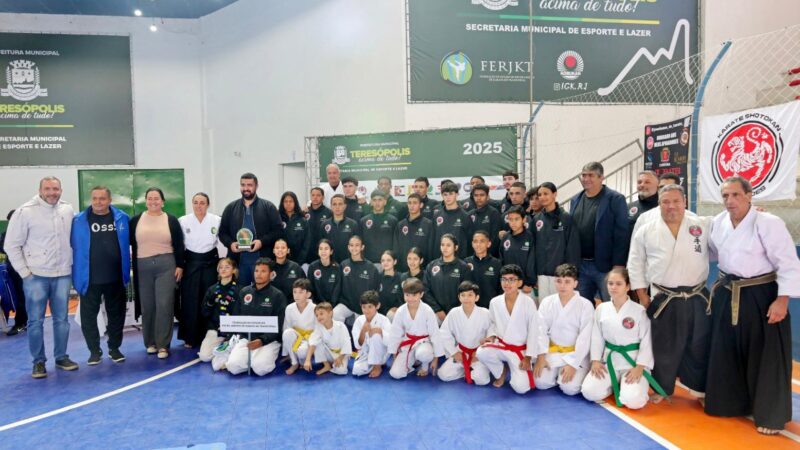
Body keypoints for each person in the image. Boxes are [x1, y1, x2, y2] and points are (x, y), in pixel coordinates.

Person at [705, 176, 800, 435]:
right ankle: (732, 403)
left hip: (762, 294)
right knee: (727, 350)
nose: (730, 200)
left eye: (736, 194)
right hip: (728, 290)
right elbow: (711, 252)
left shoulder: (768, 222)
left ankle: (770, 414)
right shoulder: (718, 222)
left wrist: (782, 300)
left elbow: (788, 263)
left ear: (749, 196)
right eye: (725, 196)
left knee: (764, 355)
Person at [627, 184, 711, 404]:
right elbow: (635, 263)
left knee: (699, 345)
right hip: (664, 297)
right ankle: (662, 388)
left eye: (676, 201)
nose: (671, 206)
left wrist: (756, 213)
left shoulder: (701, 225)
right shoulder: (647, 229)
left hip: (697, 295)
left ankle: (700, 390)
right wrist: (642, 296)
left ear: (685, 202)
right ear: (659, 204)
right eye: (666, 202)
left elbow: (728, 226)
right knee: (664, 346)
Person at [5, 176, 77, 377]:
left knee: (62, 319)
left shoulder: (67, 209)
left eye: (55, 189)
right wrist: (25, 273)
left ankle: (61, 357)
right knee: (35, 321)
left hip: (63, 275)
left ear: (61, 190)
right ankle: (38, 362)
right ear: (40, 190)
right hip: (35, 276)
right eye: (48, 189)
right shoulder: (24, 212)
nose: (52, 193)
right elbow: (11, 245)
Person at [581, 268, 664, 409]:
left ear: (628, 286)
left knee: (634, 402)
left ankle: (628, 389)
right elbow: (596, 337)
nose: (613, 287)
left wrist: (640, 366)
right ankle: (615, 386)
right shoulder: (602, 309)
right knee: (589, 392)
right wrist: (595, 360)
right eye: (610, 283)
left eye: (618, 284)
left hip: (632, 363)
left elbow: (647, 341)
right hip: (610, 362)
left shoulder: (639, 311)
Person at [71, 186, 131, 365]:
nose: (98, 202)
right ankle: (94, 351)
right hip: (89, 278)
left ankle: (114, 348)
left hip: (115, 277)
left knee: (117, 316)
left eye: (102, 198)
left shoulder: (122, 218)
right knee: (88, 317)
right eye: (95, 198)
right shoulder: (78, 221)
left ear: (110, 200)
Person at [130, 187, 185, 359]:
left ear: (163, 202)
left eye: (156, 198)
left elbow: (179, 244)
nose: (153, 201)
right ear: (145, 201)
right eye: (150, 198)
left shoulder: (171, 220)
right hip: (142, 266)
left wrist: (180, 265)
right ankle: (150, 343)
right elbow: (130, 243)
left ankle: (163, 345)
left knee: (164, 304)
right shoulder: (136, 220)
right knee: (147, 306)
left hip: (166, 265)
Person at [475, 264, 543, 394]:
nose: (507, 283)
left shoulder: (528, 302)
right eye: (504, 279)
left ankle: (513, 367)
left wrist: (528, 357)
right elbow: (493, 323)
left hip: (520, 350)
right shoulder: (495, 302)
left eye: (511, 279)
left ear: (520, 283)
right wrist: (491, 336)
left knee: (522, 388)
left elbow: (534, 330)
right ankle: (501, 371)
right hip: (502, 345)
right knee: (482, 352)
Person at [569, 162, 628, 303]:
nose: (586, 179)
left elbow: (622, 234)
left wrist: (618, 264)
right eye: (584, 175)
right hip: (581, 266)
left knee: (612, 305)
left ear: (601, 177)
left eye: (591, 175)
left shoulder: (615, 199)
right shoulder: (575, 199)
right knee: (583, 307)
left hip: (605, 266)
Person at [533, 264, 593, 395]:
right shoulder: (547, 302)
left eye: (567, 282)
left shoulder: (585, 305)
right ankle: (557, 375)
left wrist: (573, 364)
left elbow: (585, 338)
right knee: (540, 383)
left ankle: (568, 373)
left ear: (575, 283)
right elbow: (540, 330)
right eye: (559, 281)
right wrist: (541, 356)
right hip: (553, 350)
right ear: (554, 282)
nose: (562, 285)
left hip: (576, 353)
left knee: (569, 388)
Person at [219, 173, 283, 287]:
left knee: (262, 294)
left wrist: (261, 242)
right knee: (240, 294)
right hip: (238, 264)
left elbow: (278, 231)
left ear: (256, 186)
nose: (246, 188)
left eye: (249, 185)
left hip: (262, 264)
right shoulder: (230, 208)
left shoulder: (268, 207)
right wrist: (230, 244)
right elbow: (222, 233)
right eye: (243, 185)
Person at [226, 258, 287, 376]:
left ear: (271, 274)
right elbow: (236, 317)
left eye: (263, 271)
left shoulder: (278, 295)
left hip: (269, 340)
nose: (258, 274)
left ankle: (258, 358)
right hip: (246, 338)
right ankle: (248, 358)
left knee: (260, 369)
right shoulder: (244, 292)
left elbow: (279, 325)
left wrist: (262, 340)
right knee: (233, 367)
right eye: (256, 271)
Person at [179, 192, 221, 349]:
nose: (199, 206)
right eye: (195, 202)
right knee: (190, 299)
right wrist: (179, 265)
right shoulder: (183, 221)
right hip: (191, 263)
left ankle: (208, 335)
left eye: (202, 203)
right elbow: (179, 245)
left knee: (209, 299)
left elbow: (221, 242)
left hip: (210, 263)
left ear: (208, 204)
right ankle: (189, 337)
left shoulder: (216, 220)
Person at [387, 277, 444, 379]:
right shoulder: (401, 311)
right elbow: (395, 334)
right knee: (395, 374)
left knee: (423, 354)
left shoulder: (427, 310)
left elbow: (435, 334)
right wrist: (395, 357)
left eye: (414, 295)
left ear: (421, 294)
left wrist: (436, 359)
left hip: (424, 343)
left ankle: (424, 366)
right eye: (407, 295)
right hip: (409, 343)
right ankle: (414, 361)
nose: (410, 298)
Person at [532, 183, 581, 300]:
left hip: (561, 274)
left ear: (554, 194)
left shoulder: (566, 218)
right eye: (540, 195)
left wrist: (570, 272)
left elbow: (573, 248)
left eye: (546, 194)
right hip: (542, 275)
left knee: (561, 305)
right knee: (544, 306)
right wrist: (534, 274)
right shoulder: (537, 219)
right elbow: (533, 248)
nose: (542, 197)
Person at [437, 282, 492, 385]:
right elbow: (444, 333)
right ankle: (466, 369)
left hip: (478, 353)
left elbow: (491, 334)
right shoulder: (454, 313)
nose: (466, 298)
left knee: (481, 380)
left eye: (470, 295)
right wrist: (454, 352)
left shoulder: (485, 313)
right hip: (461, 352)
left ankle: (479, 368)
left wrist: (481, 352)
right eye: (463, 295)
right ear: (459, 297)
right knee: (443, 375)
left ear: (477, 297)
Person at [198, 258, 239, 369]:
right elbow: (204, 313)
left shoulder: (239, 290)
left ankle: (226, 349)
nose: (223, 269)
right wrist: (210, 303)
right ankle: (221, 348)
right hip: (216, 329)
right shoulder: (212, 289)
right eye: (221, 267)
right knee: (204, 357)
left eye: (227, 267)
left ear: (234, 270)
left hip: (233, 331)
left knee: (236, 357)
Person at [424, 234, 472, 322]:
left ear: (455, 247)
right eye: (442, 245)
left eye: (448, 245)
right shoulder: (431, 266)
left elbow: (467, 291)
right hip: (435, 314)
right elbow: (426, 290)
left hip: (457, 314)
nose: (445, 248)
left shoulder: (463, 267)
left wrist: (455, 311)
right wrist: (437, 310)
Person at [337, 235, 380, 323]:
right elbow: (338, 286)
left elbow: (375, 290)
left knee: (361, 327)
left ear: (362, 247)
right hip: (346, 304)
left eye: (357, 245)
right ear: (348, 247)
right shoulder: (343, 265)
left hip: (364, 305)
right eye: (351, 245)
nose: (354, 248)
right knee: (335, 314)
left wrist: (370, 305)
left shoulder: (371, 267)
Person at [303, 302, 352, 376]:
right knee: (317, 342)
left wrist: (340, 357)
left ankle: (334, 363)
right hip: (328, 353)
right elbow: (312, 342)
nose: (319, 317)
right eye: (317, 315)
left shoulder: (341, 326)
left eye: (321, 314)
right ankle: (326, 365)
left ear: (330, 313)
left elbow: (346, 342)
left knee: (341, 371)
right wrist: (307, 360)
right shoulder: (319, 328)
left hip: (341, 354)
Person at [498, 206, 537, 298]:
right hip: (508, 283)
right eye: (510, 219)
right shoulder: (506, 237)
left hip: (525, 285)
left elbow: (532, 261)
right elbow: (502, 261)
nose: (513, 222)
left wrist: (529, 282)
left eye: (516, 219)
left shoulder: (530, 237)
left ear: (524, 219)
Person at [352, 290, 392, 377]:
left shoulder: (384, 320)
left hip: (381, 352)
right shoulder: (359, 320)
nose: (366, 310)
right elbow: (357, 346)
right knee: (357, 371)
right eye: (364, 307)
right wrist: (363, 331)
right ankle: (374, 363)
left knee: (376, 335)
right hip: (366, 353)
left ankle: (377, 366)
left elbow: (391, 342)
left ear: (377, 306)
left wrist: (380, 331)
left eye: (370, 307)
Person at [0, 209, 28, 336]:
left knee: (23, 297)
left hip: (25, 270)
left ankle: (21, 323)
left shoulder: (27, 233)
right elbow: (3, 248)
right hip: (11, 270)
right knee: (14, 297)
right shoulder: (6, 234)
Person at [283, 279, 317, 375]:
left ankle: (304, 359)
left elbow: (318, 331)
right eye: (295, 292)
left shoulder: (315, 308)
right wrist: (287, 352)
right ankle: (294, 363)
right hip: (296, 336)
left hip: (309, 339)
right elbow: (287, 327)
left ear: (308, 294)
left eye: (301, 292)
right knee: (287, 332)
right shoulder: (289, 308)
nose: (297, 295)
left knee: (302, 353)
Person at [432, 182, 473, 260]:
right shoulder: (436, 216)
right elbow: (433, 240)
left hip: (459, 260)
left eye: (451, 194)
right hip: (440, 260)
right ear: (442, 196)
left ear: (457, 194)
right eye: (445, 194)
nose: (448, 197)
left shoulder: (465, 216)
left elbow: (470, 241)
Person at [395, 193, 434, 272]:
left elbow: (431, 249)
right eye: (409, 203)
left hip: (422, 270)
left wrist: (428, 268)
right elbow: (396, 248)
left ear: (421, 205)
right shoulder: (400, 225)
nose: (412, 206)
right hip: (403, 270)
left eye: (415, 203)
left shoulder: (428, 224)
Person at [320, 194, 360, 264]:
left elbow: (358, 245)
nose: (337, 207)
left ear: (345, 206)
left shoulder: (353, 224)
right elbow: (321, 246)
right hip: (330, 263)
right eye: (334, 204)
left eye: (340, 204)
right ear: (331, 206)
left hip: (348, 263)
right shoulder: (324, 225)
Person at [465, 230, 501, 308]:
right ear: (472, 244)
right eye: (475, 241)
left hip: (491, 307)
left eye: (482, 241)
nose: (478, 244)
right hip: (471, 307)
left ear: (488, 244)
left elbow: (500, 288)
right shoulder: (466, 262)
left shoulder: (497, 263)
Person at [360, 190, 397, 263]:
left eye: (380, 200)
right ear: (371, 202)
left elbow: (396, 244)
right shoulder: (363, 221)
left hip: (387, 261)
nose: (377, 203)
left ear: (385, 202)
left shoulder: (393, 220)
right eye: (374, 200)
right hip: (368, 261)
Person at [626, 171, 659, 245]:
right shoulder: (628, 207)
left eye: (647, 182)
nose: (642, 185)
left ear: (657, 186)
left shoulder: (663, 208)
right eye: (639, 182)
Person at [468, 183, 502, 257]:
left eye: (482, 195)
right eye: (476, 195)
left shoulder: (494, 213)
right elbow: (468, 238)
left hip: (490, 256)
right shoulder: (469, 214)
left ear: (487, 196)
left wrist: (486, 255)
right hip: (473, 257)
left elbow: (495, 239)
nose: (479, 198)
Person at [279, 191, 311, 266]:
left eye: (291, 201)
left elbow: (307, 242)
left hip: (299, 261)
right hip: (281, 259)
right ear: (282, 203)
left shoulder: (302, 220)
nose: (288, 204)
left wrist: (300, 260)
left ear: (295, 203)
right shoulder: (278, 219)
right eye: (285, 201)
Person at [307, 239, 341, 306]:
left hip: (333, 305)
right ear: (318, 251)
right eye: (321, 249)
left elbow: (337, 290)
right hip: (316, 304)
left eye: (326, 249)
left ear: (331, 251)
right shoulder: (312, 266)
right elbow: (310, 287)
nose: (323, 251)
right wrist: (315, 304)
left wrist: (331, 304)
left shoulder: (337, 268)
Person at [306, 187, 331, 263]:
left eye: (318, 195)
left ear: (323, 197)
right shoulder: (305, 212)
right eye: (313, 195)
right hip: (308, 252)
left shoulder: (329, 213)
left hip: (323, 251)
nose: (315, 197)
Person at [377, 250, 403, 321]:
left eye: (388, 260)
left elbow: (405, 298)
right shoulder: (377, 277)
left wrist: (398, 308)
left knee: (391, 315)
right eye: (383, 260)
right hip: (380, 312)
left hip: (396, 313)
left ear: (395, 262)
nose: (385, 263)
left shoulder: (401, 277)